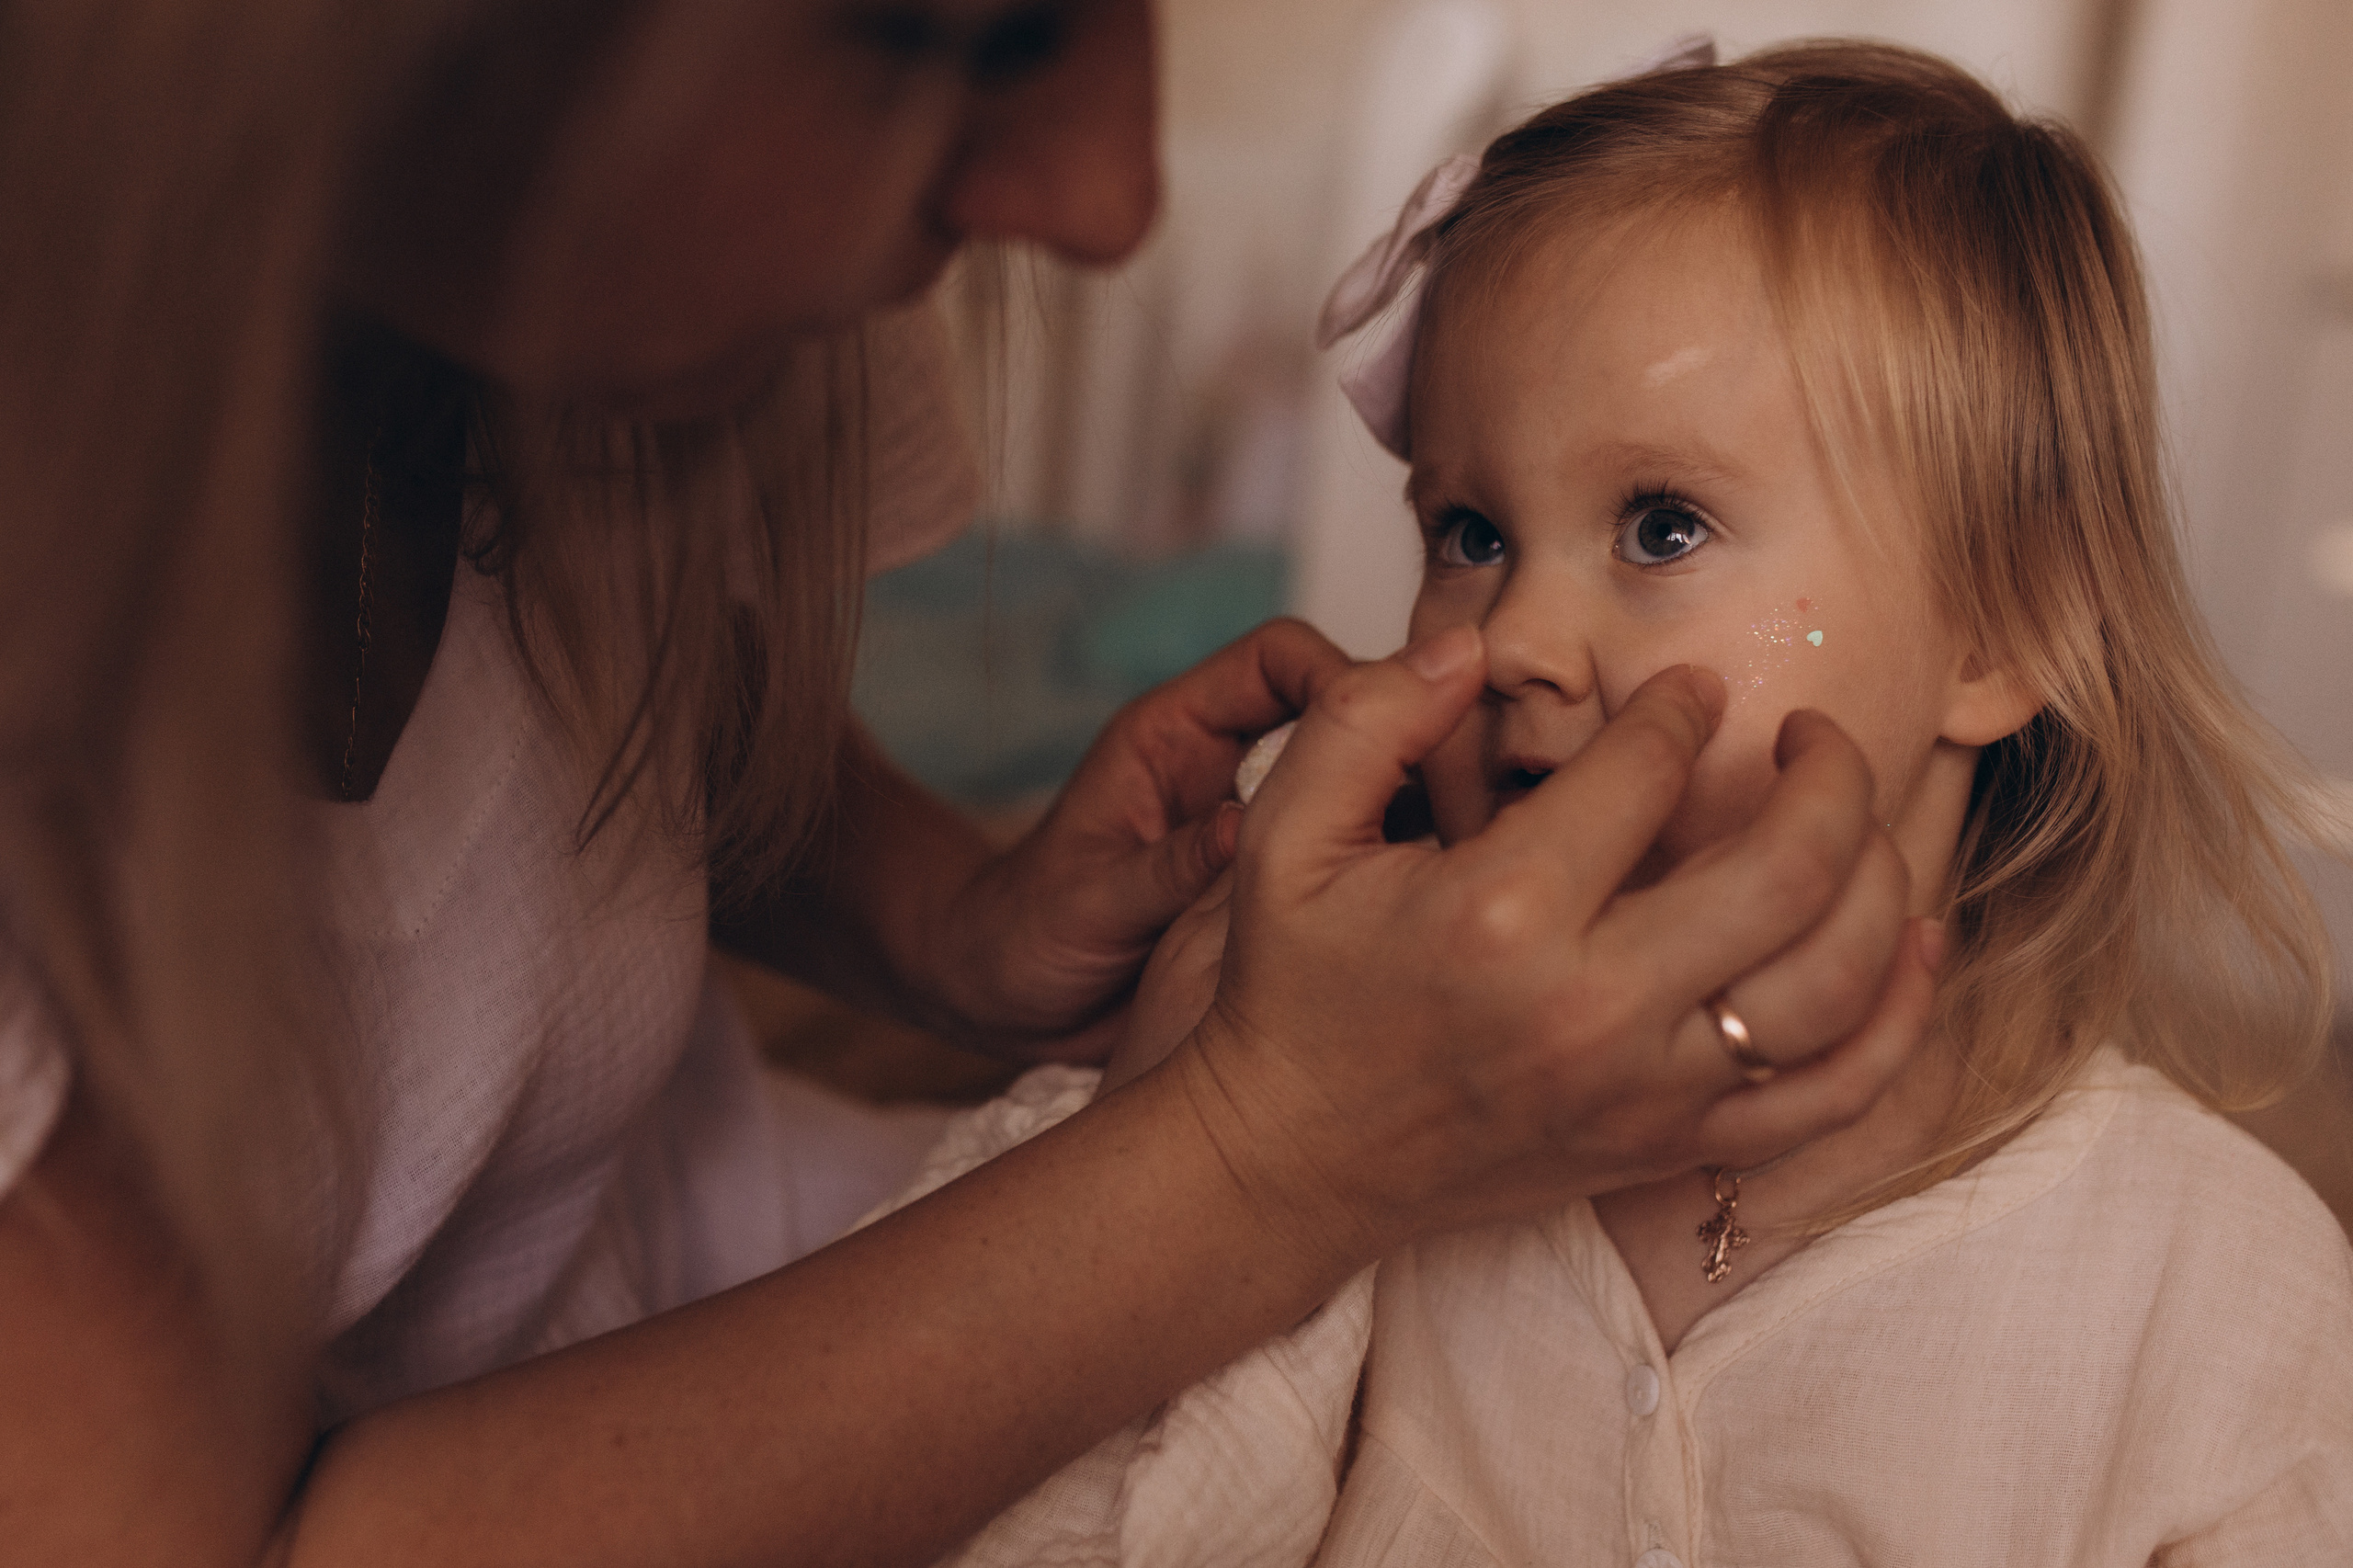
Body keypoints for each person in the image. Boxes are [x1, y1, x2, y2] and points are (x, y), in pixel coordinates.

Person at [0, 6, 1941, 1565]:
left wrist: (948, 917)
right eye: (965, 27)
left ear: (2023, 636)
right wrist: (1270, 1144)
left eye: (1664, 523)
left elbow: (568, 724)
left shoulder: (2180, 1275)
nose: (1110, 198)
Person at [890, 40, 2353, 1566]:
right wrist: (1195, 1096)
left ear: (2000, 634)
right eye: (1469, 529)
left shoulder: (2210, 1290)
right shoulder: (1336, 1104)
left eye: (1660, 526)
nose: (1511, 633)